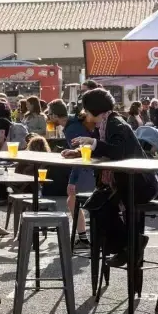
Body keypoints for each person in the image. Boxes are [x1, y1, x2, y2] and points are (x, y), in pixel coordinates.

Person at [61, 88, 158, 267]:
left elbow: (117, 151)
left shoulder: (116, 123)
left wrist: (92, 143)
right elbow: (107, 148)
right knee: (97, 205)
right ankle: (129, 246)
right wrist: (79, 152)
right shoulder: (108, 122)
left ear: (93, 110)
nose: (83, 113)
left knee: (99, 205)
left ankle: (128, 246)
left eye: (85, 109)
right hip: (128, 183)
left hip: (139, 185)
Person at [47, 99, 96, 246]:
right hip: (91, 166)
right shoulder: (73, 123)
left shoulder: (71, 128)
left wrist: (72, 180)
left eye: (49, 114)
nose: (48, 117)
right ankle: (84, 237)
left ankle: (84, 238)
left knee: (74, 200)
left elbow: (82, 153)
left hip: (89, 167)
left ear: (55, 115)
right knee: (74, 201)